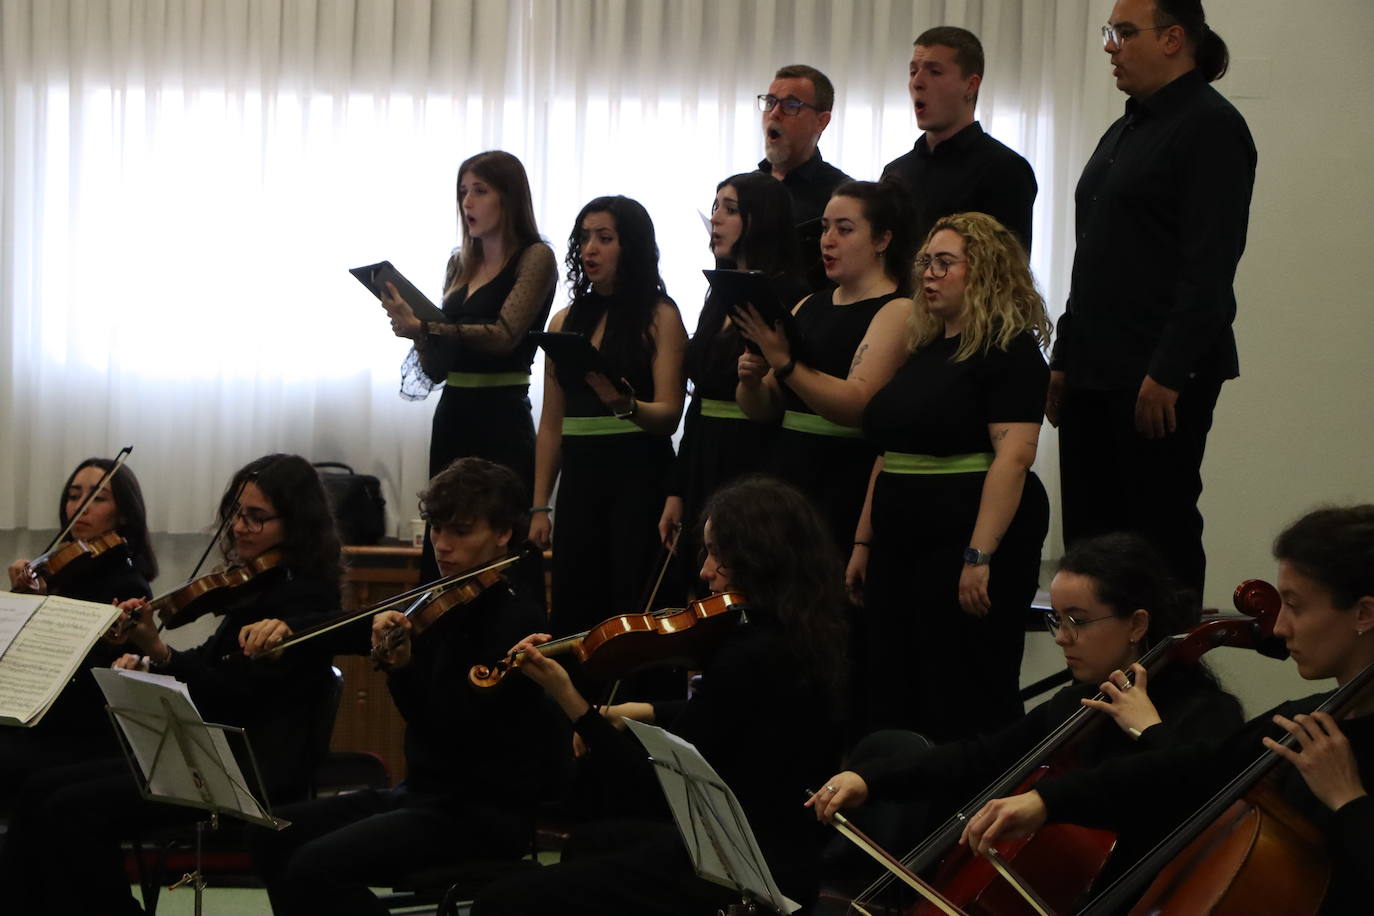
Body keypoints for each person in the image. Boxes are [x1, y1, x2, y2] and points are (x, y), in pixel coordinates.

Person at [962, 505, 1374, 916]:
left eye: (1296, 606)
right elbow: (1192, 770)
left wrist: (1349, 802)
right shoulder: (1307, 720)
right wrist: (1046, 801)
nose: (1280, 627)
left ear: (1364, 614)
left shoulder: (1307, 732)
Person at [473, 476, 849, 914]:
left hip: (741, 871)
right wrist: (645, 710)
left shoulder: (746, 658)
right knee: (593, 843)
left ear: (759, 559)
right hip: (787, 855)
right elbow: (732, 718)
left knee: (500, 904)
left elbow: (647, 787)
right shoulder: (804, 637)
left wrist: (571, 701)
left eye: (719, 556)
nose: (706, 570)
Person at [0, 453, 343, 915]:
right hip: (207, 752)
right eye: (236, 514)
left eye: (256, 518)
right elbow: (209, 666)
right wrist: (153, 663)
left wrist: (161, 655)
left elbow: (233, 697)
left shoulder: (303, 600)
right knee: (43, 791)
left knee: (70, 808)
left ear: (296, 524)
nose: (239, 527)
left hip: (242, 768)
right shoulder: (260, 587)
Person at [809, 533, 1243, 891]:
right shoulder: (1079, 702)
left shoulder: (1207, 713)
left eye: (1077, 620)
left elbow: (1192, 804)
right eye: (1057, 620)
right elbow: (978, 757)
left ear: (1137, 625)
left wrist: (1147, 730)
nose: (1062, 638)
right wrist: (870, 778)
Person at [250, 457, 567, 915]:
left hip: (479, 812)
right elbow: (352, 627)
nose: (442, 545)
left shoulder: (515, 620)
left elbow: (451, 728)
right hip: (421, 794)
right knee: (269, 831)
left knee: (315, 868)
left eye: (461, 531)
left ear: (503, 535)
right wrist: (288, 633)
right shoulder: (444, 597)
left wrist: (403, 671)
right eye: (437, 529)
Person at [1048, 0, 1256, 597]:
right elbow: (1093, 259)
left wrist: (1168, 372)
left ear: (1173, 39)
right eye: (1109, 32)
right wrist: (1064, 358)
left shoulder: (1211, 126)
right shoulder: (1127, 127)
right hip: (1094, 368)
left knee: (1153, 544)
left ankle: (1169, 682)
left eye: (1123, 32)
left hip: (1155, 380)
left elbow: (1210, 267)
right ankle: (1100, 681)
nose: (1110, 45)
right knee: (1091, 549)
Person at [849, 211, 1051, 740]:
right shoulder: (926, 349)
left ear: (983, 271)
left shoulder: (1011, 350)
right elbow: (889, 453)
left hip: (961, 538)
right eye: (925, 262)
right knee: (894, 679)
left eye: (944, 263)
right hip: (899, 538)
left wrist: (978, 555)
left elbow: (1014, 457)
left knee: (960, 682)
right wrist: (863, 542)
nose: (929, 274)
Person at [381, 149, 557, 587]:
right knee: (445, 535)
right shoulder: (459, 263)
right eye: (463, 192)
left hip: (501, 413)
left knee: (500, 540)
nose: (467, 203)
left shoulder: (535, 257)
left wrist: (428, 326)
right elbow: (437, 369)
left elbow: (505, 334)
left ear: (509, 198)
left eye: (480, 191)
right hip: (454, 414)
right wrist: (417, 332)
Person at [530, 196, 687, 643]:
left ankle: (634, 708)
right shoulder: (564, 320)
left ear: (631, 246)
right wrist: (541, 505)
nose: (590, 249)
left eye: (604, 238)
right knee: (576, 605)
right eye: (583, 238)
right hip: (580, 480)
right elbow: (551, 424)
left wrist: (626, 405)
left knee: (633, 606)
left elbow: (670, 415)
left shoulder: (659, 315)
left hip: (638, 475)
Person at [734, 180, 916, 559]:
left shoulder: (897, 309)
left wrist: (783, 363)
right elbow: (764, 408)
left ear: (882, 240)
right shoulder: (809, 304)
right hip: (787, 473)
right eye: (825, 228)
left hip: (843, 478)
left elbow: (857, 404)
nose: (827, 241)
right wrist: (751, 380)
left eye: (844, 229)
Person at [658, 172, 804, 598]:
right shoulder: (719, 291)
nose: (715, 219)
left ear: (761, 219)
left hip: (752, 455)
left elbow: (778, 398)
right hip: (705, 449)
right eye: (715, 205)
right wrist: (677, 489)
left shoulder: (787, 292)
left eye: (730, 209)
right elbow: (699, 399)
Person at [0, 457, 159, 810]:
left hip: (81, 732)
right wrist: (24, 604)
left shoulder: (127, 583)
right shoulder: (58, 573)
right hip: (37, 721)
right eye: (74, 496)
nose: (80, 506)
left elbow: (95, 683)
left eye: (97, 498)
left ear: (124, 514)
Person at [882, 26, 1037, 251]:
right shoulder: (895, 172)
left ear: (970, 85)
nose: (917, 82)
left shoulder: (1005, 169)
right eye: (913, 71)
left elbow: (1005, 275)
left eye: (934, 72)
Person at [756, 64, 852, 289]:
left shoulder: (842, 195)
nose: (774, 113)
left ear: (822, 121)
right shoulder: (743, 188)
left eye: (791, 105)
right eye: (770, 102)